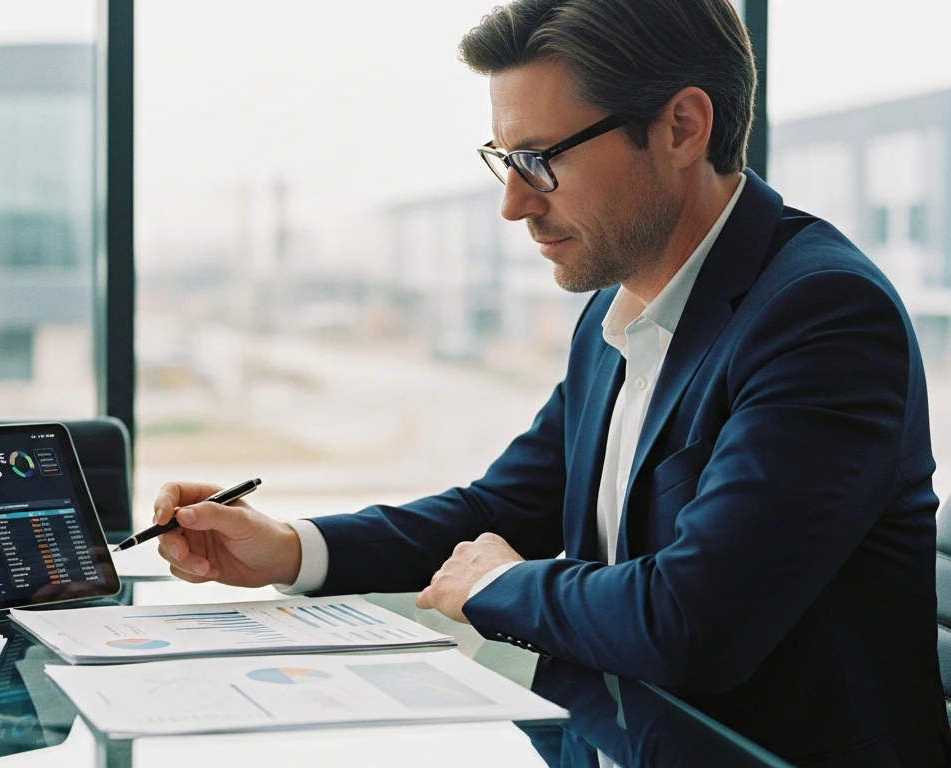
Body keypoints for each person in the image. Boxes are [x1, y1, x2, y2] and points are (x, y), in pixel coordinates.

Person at [151, 0, 951, 763]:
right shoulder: (620, 303)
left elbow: (692, 621)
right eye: (506, 159)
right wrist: (291, 549)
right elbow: (505, 509)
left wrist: (501, 584)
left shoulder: (823, 315)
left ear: (681, 128)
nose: (512, 203)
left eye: (540, 161)